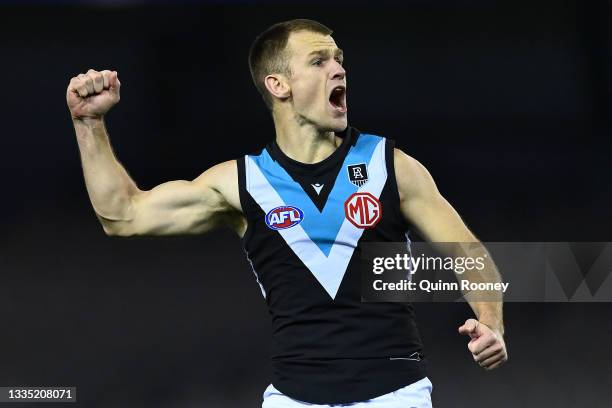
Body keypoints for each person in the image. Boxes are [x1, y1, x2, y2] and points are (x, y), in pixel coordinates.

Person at [66, 19, 507, 408]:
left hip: (395, 396)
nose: (339, 68)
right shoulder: (241, 183)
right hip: (293, 398)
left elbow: (468, 252)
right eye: (319, 61)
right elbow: (122, 216)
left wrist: (491, 323)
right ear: (279, 85)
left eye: (339, 59)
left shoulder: (390, 165)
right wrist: (89, 124)